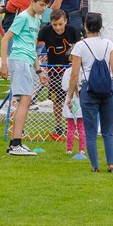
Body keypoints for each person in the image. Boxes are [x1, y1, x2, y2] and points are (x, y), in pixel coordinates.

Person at [67, 12, 113, 173]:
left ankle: (95, 165)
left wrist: (70, 95)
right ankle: (111, 163)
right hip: (109, 89)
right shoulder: (109, 44)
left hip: (88, 89)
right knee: (108, 130)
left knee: (91, 130)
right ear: (101, 27)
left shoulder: (80, 46)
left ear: (85, 26)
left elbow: (74, 74)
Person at [0, 0, 50, 156]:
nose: (43, 8)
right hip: (19, 60)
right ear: (32, 2)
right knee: (25, 101)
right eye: (41, 5)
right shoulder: (22, 18)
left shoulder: (36, 21)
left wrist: (39, 71)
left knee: (26, 101)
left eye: (45, 6)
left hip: (28, 61)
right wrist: (4, 64)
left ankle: (16, 142)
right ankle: (15, 144)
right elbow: (5, 39)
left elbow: (32, 48)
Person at [38, 8, 81, 138]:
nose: (57, 28)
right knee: (57, 100)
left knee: (73, 97)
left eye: (60, 24)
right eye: (54, 24)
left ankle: (73, 124)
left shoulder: (72, 30)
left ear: (66, 21)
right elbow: (33, 43)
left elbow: (80, 47)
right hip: (53, 70)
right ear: (50, 23)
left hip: (70, 70)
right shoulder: (45, 31)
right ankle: (58, 126)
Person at [61, 65, 85, 154]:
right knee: (81, 127)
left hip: (70, 100)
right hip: (81, 100)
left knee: (70, 127)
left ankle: (69, 149)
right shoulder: (84, 71)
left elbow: (64, 87)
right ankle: (82, 149)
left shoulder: (68, 71)